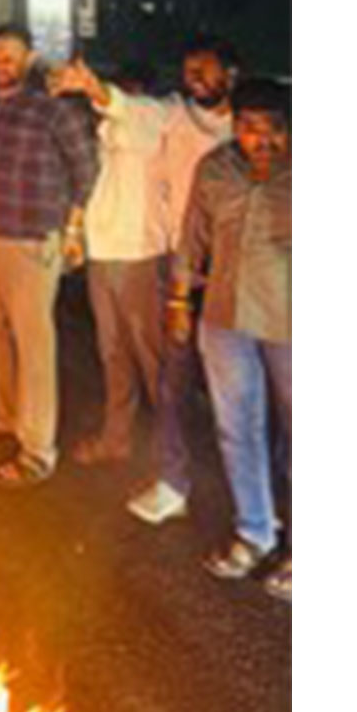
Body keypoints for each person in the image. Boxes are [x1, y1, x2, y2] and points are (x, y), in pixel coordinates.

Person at [68, 37, 239, 523]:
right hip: (180, 264)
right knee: (170, 375)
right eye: (188, 70)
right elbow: (135, 113)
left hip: (237, 270)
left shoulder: (253, 127)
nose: (195, 78)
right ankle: (173, 478)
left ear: (231, 72)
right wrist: (98, 90)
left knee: (247, 386)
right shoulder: (172, 115)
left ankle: (256, 494)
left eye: (205, 69)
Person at [0, 23, 96, 489]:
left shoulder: (54, 109)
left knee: (34, 343)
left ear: (29, 59)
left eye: (10, 57)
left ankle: (37, 449)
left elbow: (86, 170)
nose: (1, 65)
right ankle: (6, 417)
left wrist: (72, 231)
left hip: (30, 239)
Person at [171, 78, 291, 601]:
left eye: (273, 128)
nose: (260, 139)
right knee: (236, 427)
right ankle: (255, 531)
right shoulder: (215, 168)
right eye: (248, 127)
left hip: (292, 321)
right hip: (224, 318)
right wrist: (179, 301)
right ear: (234, 125)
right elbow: (192, 237)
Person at [47, 54, 169, 467]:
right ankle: (118, 437)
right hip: (105, 256)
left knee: (152, 360)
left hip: (139, 257)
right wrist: (76, 236)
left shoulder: (152, 119)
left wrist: (96, 89)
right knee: (113, 355)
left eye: (126, 93)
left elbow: (121, 108)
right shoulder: (102, 133)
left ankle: (172, 457)